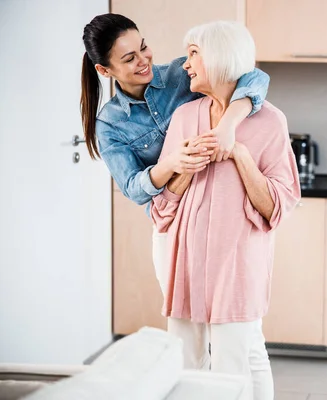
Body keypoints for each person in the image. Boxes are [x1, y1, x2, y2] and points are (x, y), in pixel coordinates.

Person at [151, 21, 300, 400]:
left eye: (194, 54)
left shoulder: (269, 121)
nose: (186, 64)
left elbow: (279, 206)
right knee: (184, 361)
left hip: (236, 265)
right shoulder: (185, 117)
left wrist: (241, 156)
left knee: (237, 361)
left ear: (219, 56)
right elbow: (163, 206)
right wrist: (183, 167)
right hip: (186, 261)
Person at [80, 13, 270, 208]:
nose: (143, 60)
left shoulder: (182, 73)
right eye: (130, 59)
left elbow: (254, 76)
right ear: (104, 71)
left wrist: (227, 126)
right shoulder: (109, 124)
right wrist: (171, 164)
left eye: (143, 47)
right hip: (169, 215)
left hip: (213, 203)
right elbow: (133, 189)